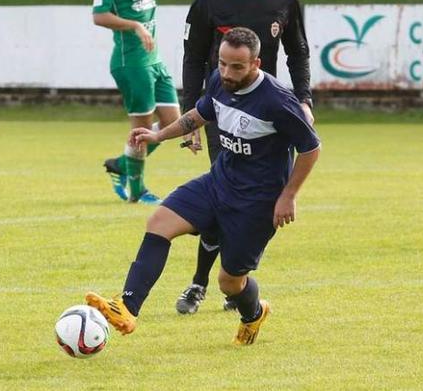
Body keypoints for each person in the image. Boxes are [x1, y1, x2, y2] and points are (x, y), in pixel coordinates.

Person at [85, 27, 321, 346]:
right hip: (218, 182)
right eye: (222, 63)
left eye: (236, 66)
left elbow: (310, 148)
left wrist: (288, 196)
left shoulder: (277, 101)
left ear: (256, 64)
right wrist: (158, 135)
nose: (227, 71)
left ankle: (253, 315)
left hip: (257, 203)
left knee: (230, 282)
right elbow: (200, 113)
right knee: (159, 222)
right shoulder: (218, 80)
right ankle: (127, 307)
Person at [176, 0, 314, 314]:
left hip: (272, 120)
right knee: (222, 201)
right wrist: (192, 115)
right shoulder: (208, 0)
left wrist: (304, 99)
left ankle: (232, 285)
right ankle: (201, 284)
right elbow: (193, 58)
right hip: (223, 114)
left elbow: (298, 53)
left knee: (255, 209)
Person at [94, 0, 193, 204]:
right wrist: (135, 26)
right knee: (141, 128)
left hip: (154, 61)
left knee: (173, 124)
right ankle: (136, 191)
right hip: (131, 63)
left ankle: (123, 165)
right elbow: (99, 16)